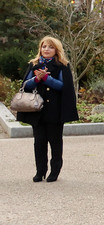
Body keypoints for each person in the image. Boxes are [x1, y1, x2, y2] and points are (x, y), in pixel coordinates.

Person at [16, 36, 79, 182]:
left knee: (55, 142)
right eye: (44, 46)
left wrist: (46, 79)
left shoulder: (62, 65)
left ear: (56, 50)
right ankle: (40, 171)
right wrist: (37, 79)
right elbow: (26, 84)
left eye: (50, 47)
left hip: (55, 110)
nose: (46, 49)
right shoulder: (34, 64)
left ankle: (54, 171)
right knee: (39, 142)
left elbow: (64, 86)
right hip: (37, 110)